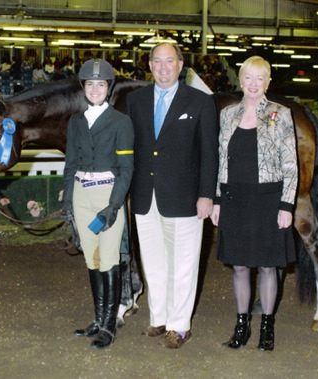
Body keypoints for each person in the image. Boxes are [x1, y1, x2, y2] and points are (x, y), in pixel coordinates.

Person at [126, 43, 218, 349]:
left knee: (183, 263)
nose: (163, 67)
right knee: (152, 261)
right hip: (144, 196)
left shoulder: (201, 102)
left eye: (170, 61)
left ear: (181, 65)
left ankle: (179, 326)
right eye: (157, 62)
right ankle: (159, 318)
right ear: (150, 66)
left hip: (185, 198)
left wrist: (207, 194)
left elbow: (209, 154)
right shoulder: (135, 101)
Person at [210, 56, 298, 351]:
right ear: (240, 79)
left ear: (268, 82)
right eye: (248, 77)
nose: (253, 84)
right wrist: (218, 200)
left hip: (268, 199)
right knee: (239, 266)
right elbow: (221, 160)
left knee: (268, 266)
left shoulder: (280, 113)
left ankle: (267, 327)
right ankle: (241, 325)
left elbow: (290, 164)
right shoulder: (228, 114)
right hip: (234, 199)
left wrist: (286, 205)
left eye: (260, 78)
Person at [62, 58, 134, 349]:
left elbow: (127, 168)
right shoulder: (76, 122)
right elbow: (70, 164)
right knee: (91, 259)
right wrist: (68, 200)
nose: (95, 89)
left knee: (109, 259)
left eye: (100, 84)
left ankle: (109, 325)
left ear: (109, 88)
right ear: (84, 87)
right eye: (90, 84)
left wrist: (114, 205)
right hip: (81, 194)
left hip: (107, 194)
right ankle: (97, 318)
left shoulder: (121, 122)